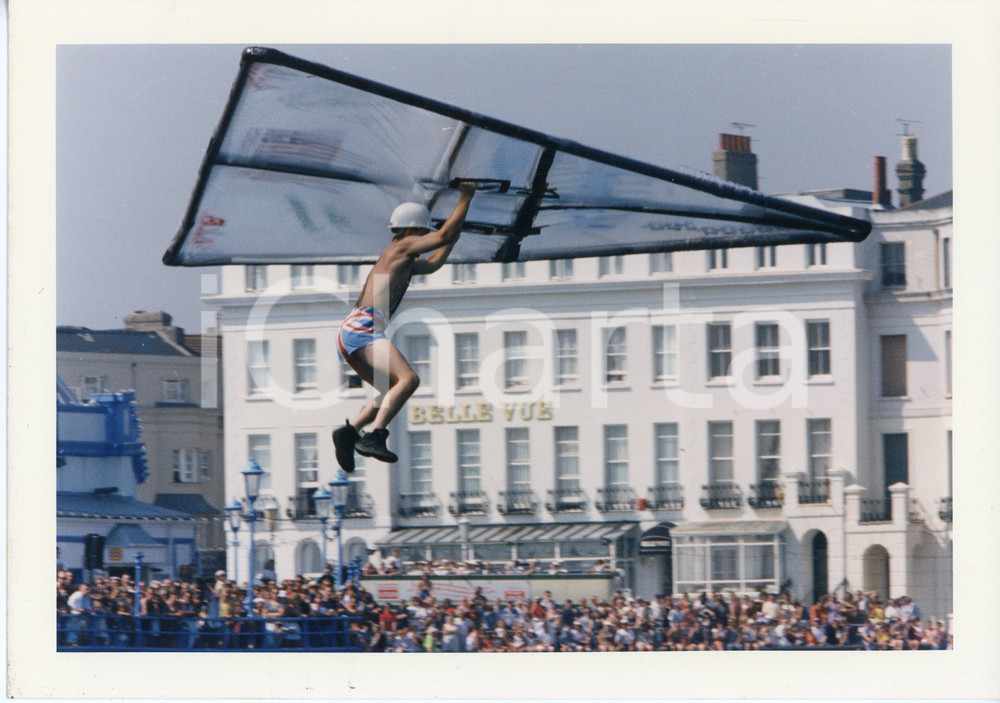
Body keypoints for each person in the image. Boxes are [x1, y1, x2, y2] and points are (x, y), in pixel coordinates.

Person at [332, 182, 477, 471]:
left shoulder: (402, 260)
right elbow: (443, 235)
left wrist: (454, 236)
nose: (426, 238)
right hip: (364, 326)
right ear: (411, 230)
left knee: (389, 390)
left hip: (352, 329)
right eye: (423, 232)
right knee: (409, 380)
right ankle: (374, 435)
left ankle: (350, 432)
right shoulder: (402, 246)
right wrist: (466, 197)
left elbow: (435, 262)